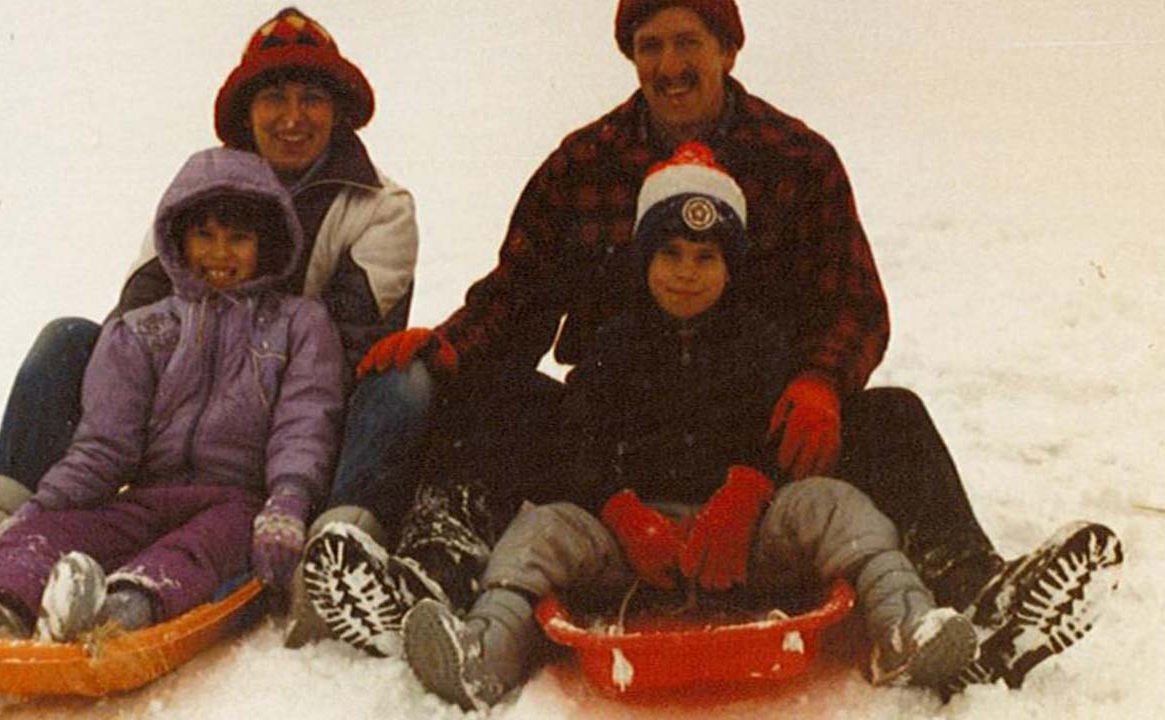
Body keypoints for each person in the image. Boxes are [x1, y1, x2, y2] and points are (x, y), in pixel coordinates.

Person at [304, 0, 1123, 695]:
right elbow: (518, 297)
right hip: (617, 443)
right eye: (649, 45)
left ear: (728, 48)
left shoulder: (798, 158)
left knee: (894, 417)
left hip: (764, 438)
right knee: (501, 399)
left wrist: (820, 383)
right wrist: (447, 347)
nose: (668, 64)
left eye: (687, 41)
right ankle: (431, 588)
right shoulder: (583, 163)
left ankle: (976, 598)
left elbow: (855, 304)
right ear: (631, 56)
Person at [400, 142, 981, 709]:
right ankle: (487, 651)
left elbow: (778, 436)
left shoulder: (762, 342)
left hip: (745, 538)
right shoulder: (613, 344)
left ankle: (905, 627)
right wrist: (620, 512)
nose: (686, 273)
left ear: (732, 267)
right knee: (541, 533)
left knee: (836, 505)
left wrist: (749, 493)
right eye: (670, 254)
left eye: (707, 258)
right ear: (644, 259)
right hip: (634, 540)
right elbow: (577, 439)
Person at [0, 6, 416, 582]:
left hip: (301, 415)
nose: (292, 118)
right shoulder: (201, 195)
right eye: (274, 99)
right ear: (248, 112)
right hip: (191, 412)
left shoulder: (378, 206)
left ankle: (335, 549)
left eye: (311, 99)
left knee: (404, 381)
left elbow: (338, 343)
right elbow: (139, 312)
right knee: (69, 339)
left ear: (338, 112)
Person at [0, 148, 344, 641]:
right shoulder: (143, 331)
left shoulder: (298, 324)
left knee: (196, 550)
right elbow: (105, 446)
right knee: (66, 532)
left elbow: (304, 423)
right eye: (205, 236)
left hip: (240, 503)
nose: (220, 254)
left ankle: (119, 610)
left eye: (238, 239)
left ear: (267, 245)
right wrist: (39, 510)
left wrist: (287, 501)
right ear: (178, 241)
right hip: (149, 496)